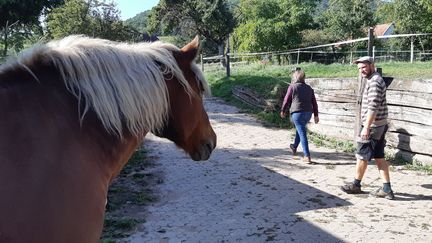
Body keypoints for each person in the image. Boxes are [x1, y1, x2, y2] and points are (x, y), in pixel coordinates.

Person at [341, 56, 394, 200]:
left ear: (372, 65)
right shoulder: (373, 79)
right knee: (379, 157)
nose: (361, 71)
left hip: (373, 126)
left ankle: (356, 185)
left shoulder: (375, 81)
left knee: (362, 156)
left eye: (364, 67)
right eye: (359, 69)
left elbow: (373, 106)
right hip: (379, 125)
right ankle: (387, 189)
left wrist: (366, 127)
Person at [280, 68, 319, 163]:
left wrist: (283, 110)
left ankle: (307, 156)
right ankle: (294, 147)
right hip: (308, 113)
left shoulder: (292, 87)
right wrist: (316, 115)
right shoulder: (309, 88)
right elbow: (314, 102)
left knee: (302, 132)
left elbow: (286, 100)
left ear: (295, 77)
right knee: (300, 129)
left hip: (297, 113)